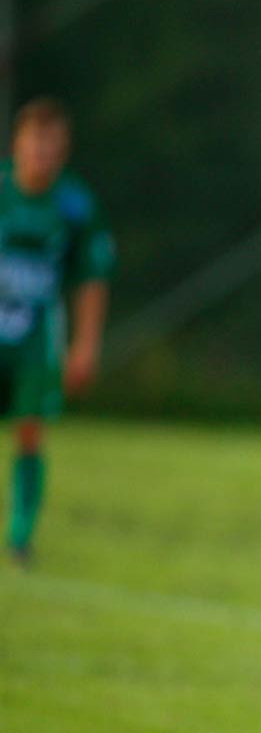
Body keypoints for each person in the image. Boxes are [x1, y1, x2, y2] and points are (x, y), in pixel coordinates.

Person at [0, 97, 114, 567]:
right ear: (17, 144)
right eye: (35, 143)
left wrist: (86, 345)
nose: (42, 154)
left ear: (63, 151)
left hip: (36, 338)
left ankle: (20, 536)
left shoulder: (74, 205)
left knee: (29, 430)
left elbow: (91, 278)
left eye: (52, 146)